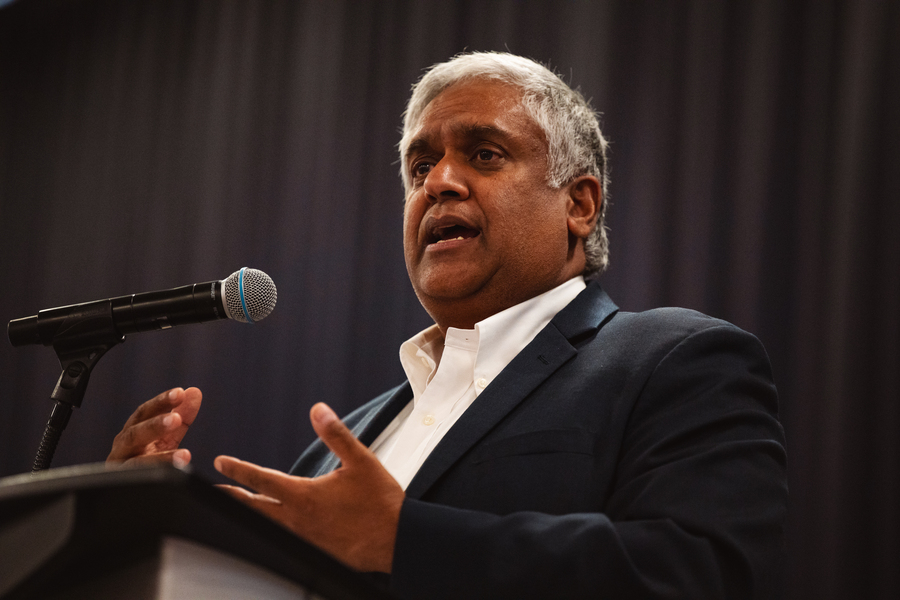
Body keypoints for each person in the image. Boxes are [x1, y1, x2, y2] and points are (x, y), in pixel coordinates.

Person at [108, 52, 788, 599]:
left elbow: (698, 572)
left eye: (485, 155)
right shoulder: (336, 451)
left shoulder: (674, 361)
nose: (439, 183)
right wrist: (134, 543)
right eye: (420, 165)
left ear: (579, 204)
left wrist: (403, 539)